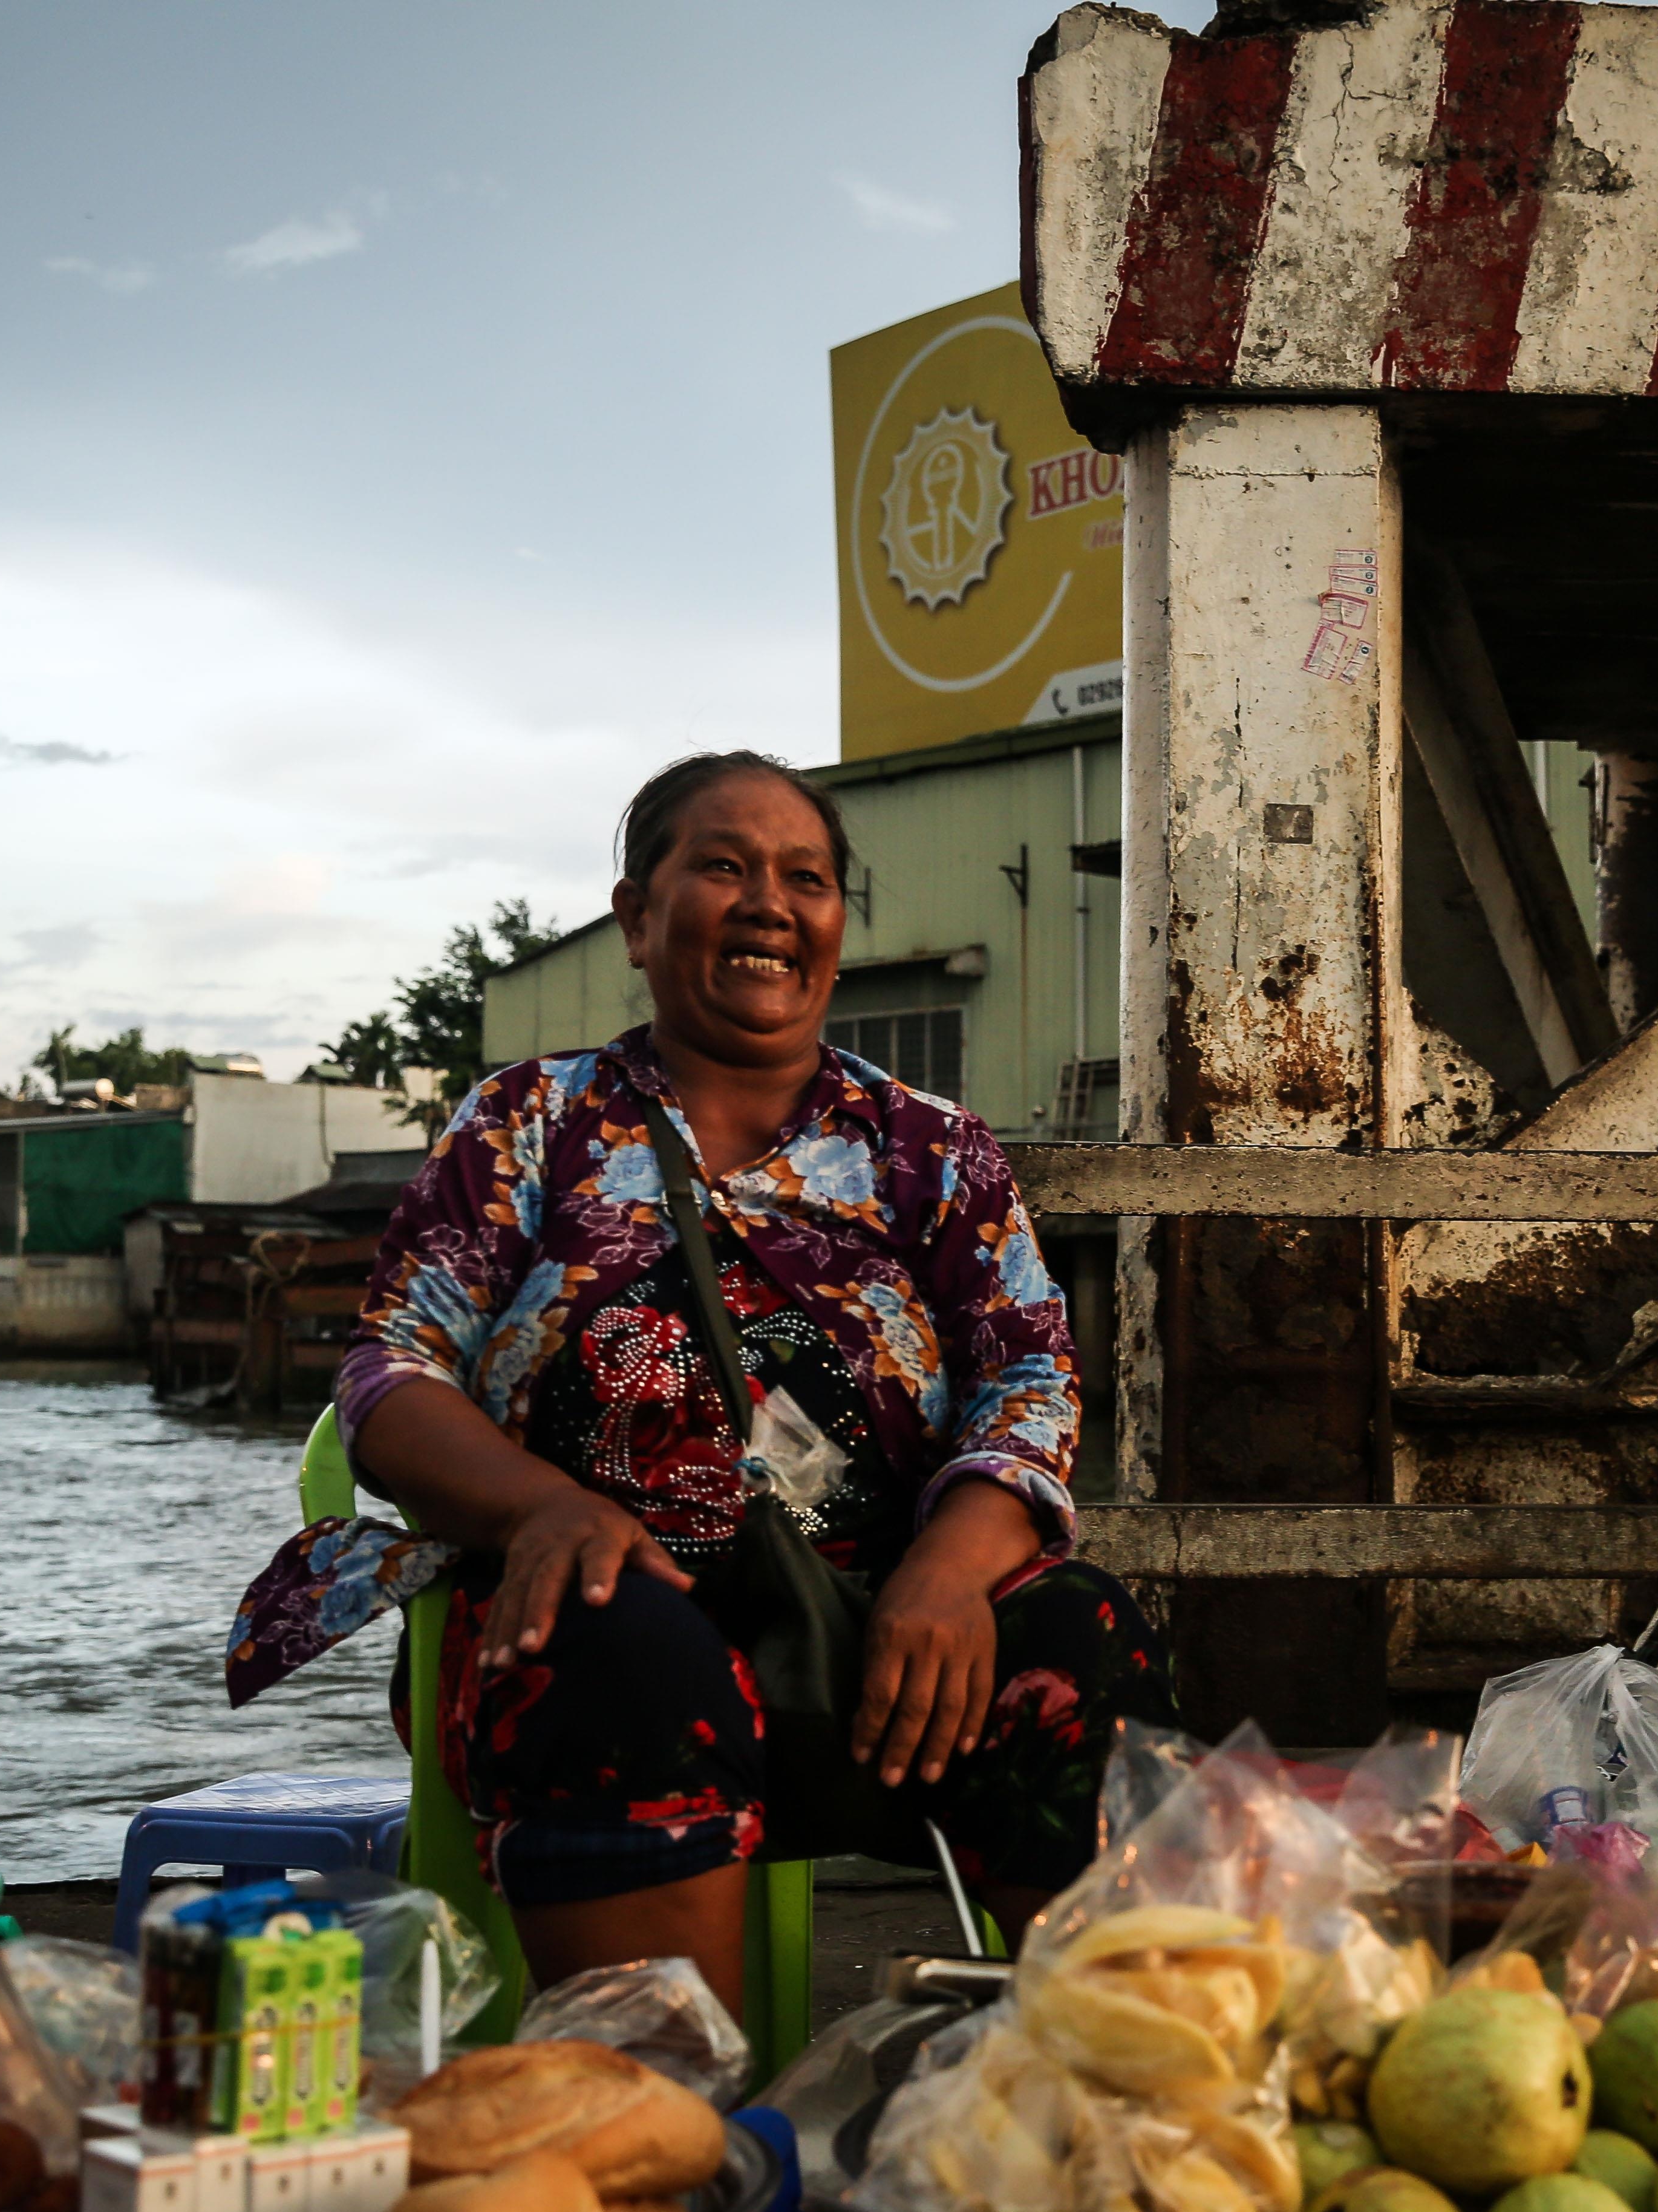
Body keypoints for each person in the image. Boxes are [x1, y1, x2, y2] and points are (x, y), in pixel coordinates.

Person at [226, 750, 1175, 2005]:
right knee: (616, 1638)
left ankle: (1123, 2068)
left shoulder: (933, 1152)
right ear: (637, 919)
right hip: (595, 1631)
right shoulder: (529, 1124)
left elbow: (1031, 1383)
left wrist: (950, 1571)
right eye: (724, 867)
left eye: (807, 878)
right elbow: (394, 1367)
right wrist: (545, 1512)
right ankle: (668, 2098)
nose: (770, 903)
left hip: (876, 1645)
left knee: (1078, 1632)